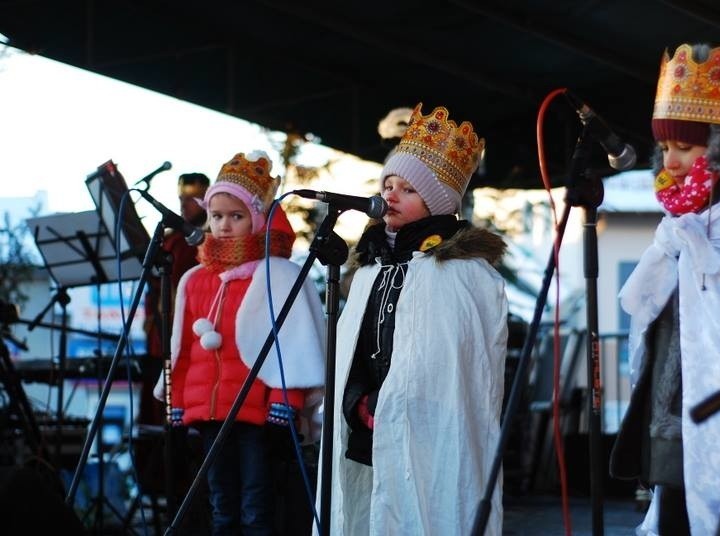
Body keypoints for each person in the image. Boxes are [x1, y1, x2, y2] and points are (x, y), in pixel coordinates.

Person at [609, 43, 720, 535]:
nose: (670, 160)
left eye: (685, 148)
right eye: (664, 148)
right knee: (674, 513)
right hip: (672, 403)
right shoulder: (683, 218)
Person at [323, 103, 509, 535]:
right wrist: (357, 401)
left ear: (438, 200)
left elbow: (463, 370)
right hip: (367, 425)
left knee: (427, 512)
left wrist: (403, 403)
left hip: (431, 431)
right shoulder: (368, 269)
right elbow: (352, 349)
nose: (389, 195)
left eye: (407, 189)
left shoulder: (464, 272)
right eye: (388, 184)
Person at [155, 150, 326, 535]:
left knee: (256, 506)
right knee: (220, 505)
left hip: (256, 416)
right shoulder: (195, 279)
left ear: (257, 219)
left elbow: (292, 350)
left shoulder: (275, 276)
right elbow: (181, 350)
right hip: (211, 415)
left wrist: (286, 404)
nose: (225, 225)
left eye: (236, 216)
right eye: (217, 216)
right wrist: (177, 401)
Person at [140, 172, 210, 426]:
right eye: (182, 198)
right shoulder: (169, 239)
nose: (184, 204)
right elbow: (154, 283)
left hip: (192, 329)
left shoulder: (208, 240)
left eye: (192, 199)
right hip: (160, 330)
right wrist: (150, 314)